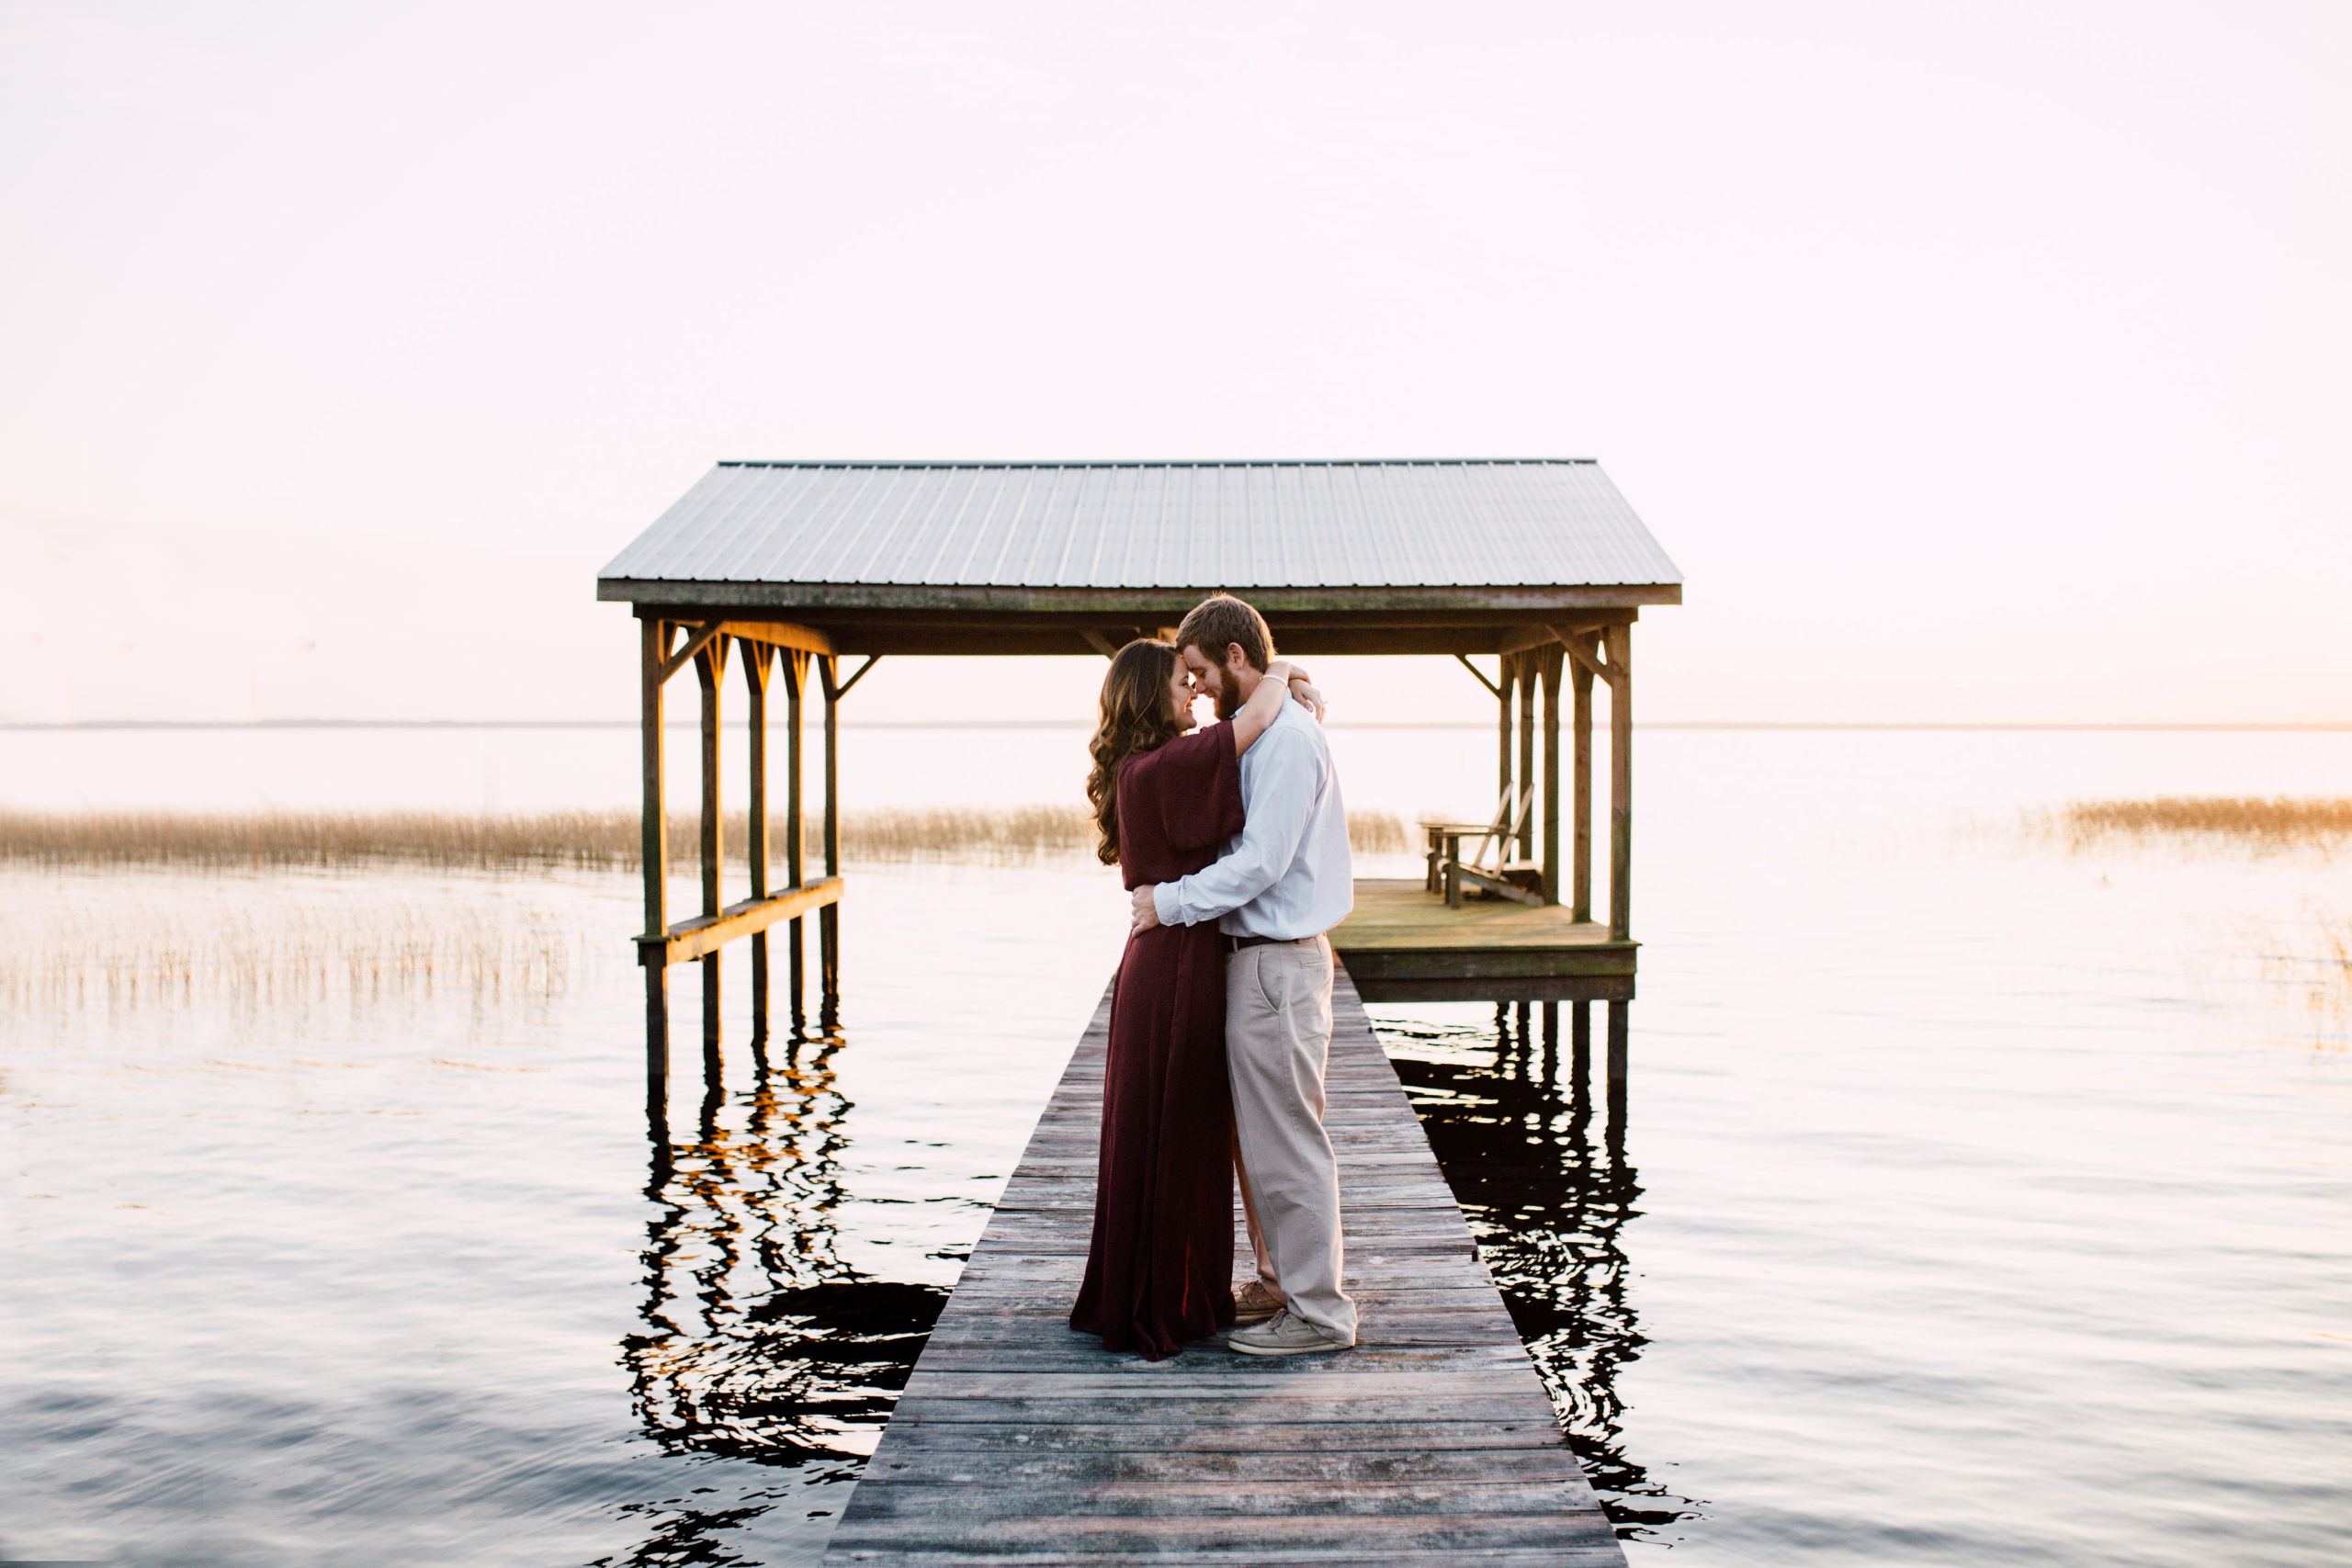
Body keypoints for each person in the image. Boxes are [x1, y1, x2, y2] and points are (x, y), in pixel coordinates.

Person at [1069, 637, 1323, 1360]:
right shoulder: (1166, 765)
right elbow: (1256, 715)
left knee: (1164, 1128)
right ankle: (1170, 1299)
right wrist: (1279, 669)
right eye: (1184, 683)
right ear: (1152, 695)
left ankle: (1160, 1287)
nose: (1197, 695)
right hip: (1177, 966)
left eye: (1197, 679)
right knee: (1178, 1126)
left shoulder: (1141, 767)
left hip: (1166, 957)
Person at [1130, 593, 1357, 1357]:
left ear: (1234, 658)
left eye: (1197, 673)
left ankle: (1321, 1314)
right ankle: (1275, 1279)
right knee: (1253, 1140)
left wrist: (1168, 902)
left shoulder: (1288, 742)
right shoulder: (1260, 733)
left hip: (1276, 965)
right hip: (1249, 965)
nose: (1191, 690)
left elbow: (1261, 865)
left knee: (1287, 1138)